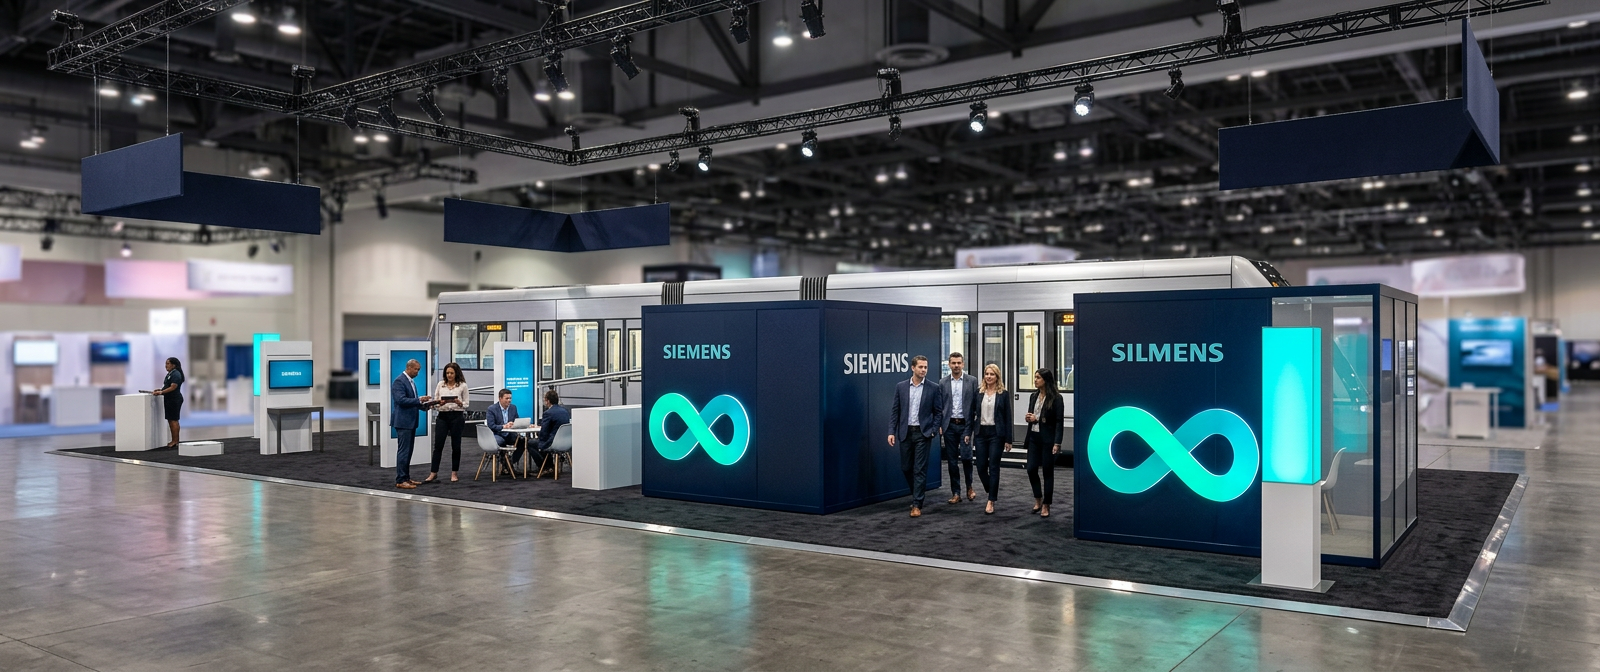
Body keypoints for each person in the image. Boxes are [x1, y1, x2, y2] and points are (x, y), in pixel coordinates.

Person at [888, 355, 944, 518]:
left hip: (923, 433)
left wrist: (933, 430)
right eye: (920, 367)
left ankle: (917, 503)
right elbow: (895, 410)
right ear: (913, 368)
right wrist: (891, 431)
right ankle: (917, 494)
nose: (924, 370)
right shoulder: (901, 387)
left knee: (920, 469)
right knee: (906, 467)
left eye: (925, 367)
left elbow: (938, 412)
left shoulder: (933, 388)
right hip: (905, 432)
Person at [939, 352, 980, 504]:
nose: (956, 365)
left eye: (958, 363)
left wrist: (973, 425)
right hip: (949, 426)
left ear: (963, 364)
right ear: (949, 364)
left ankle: (969, 487)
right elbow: (940, 406)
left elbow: (976, 404)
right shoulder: (942, 382)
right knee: (951, 461)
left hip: (965, 425)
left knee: (967, 457)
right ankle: (956, 492)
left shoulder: (972, 381)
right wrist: (940, 425)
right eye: (953, 363)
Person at [973, 363, 1014, 515]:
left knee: (994, 466)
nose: (989, 376)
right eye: (987, 374)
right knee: (980, 467)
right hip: (981, 433)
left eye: (992, 374)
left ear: (997, 377)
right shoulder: (978, 393)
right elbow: (973, 413)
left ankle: (991, 500)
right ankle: (991, 489)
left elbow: (1008, 417)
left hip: (997, 434)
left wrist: (1009, 439)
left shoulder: (1003, 394)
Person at [1024, 368, 1065, 517]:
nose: (1035, 380)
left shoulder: (1056, 398)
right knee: (1031, 469)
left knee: (1047, 472)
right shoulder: (1033, 396)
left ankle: (1047, 504)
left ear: (1046, 380)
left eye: (1038, 378)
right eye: (1035, 377)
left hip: (1048, 440)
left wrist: (1057, 442)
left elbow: (1058, 422)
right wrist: (1029, 418)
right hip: (1034, 438)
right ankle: (1038, 499)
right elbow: (1032, 416)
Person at [391, 359, 432, 490]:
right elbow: (401, 400)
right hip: (403, 422)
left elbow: (412, 402)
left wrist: (426, 405)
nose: (417, 372)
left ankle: (406, 478)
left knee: (408, 452)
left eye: (418, 370)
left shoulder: (410, 382)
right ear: (409, 368)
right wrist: (419, 400)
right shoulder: (399, 381)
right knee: (403, 451)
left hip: (410, 422)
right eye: (416, 369)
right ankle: (400, 479)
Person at [424, 363, 468, 484]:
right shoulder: (440, 384)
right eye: (447, 373)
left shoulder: (462, 385)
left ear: (456, 373)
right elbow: (435, 402)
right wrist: (439, 403)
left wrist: (459, 403)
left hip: (457, 416)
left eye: (452, 373)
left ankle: (454, 472)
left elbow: (466, 404)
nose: (449, 375)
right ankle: (433, 472)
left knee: (456, 446)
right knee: (438, 445)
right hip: (442, 416)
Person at [527, 389, 571, 477]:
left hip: (553, 442)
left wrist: (538, 435)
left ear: (547, 401)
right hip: (566, 442)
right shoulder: (565, 411)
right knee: (542, 442)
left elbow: (544, 433)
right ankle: (549, 467)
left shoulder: (548, 413)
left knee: (530, 443)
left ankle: (545, 467)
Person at [146, 357, 185, 448]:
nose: (165, 366)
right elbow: (167, 386)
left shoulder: (176, 374)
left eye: (168, 363)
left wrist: (162, 392)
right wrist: (160, 389)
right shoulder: (170, 374)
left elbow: (173, 387)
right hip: (170, 399)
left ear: (173, 365)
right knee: (171, 420)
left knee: (173, 420)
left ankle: (175, 441)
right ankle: (175, 440)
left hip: (174, 399)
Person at [486, 388, 524, 458]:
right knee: (500, 441)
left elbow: (517, 421)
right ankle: (504, 461)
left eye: (510, 398)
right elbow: (491, 426)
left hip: (510, 434)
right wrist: (503, 426)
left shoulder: (513, 408)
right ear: (500, 398)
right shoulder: (492, 409)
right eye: (506, 398)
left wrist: (513, 424)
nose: (509, 400)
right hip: (497, 434)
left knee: (523, 441)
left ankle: (511, 461)